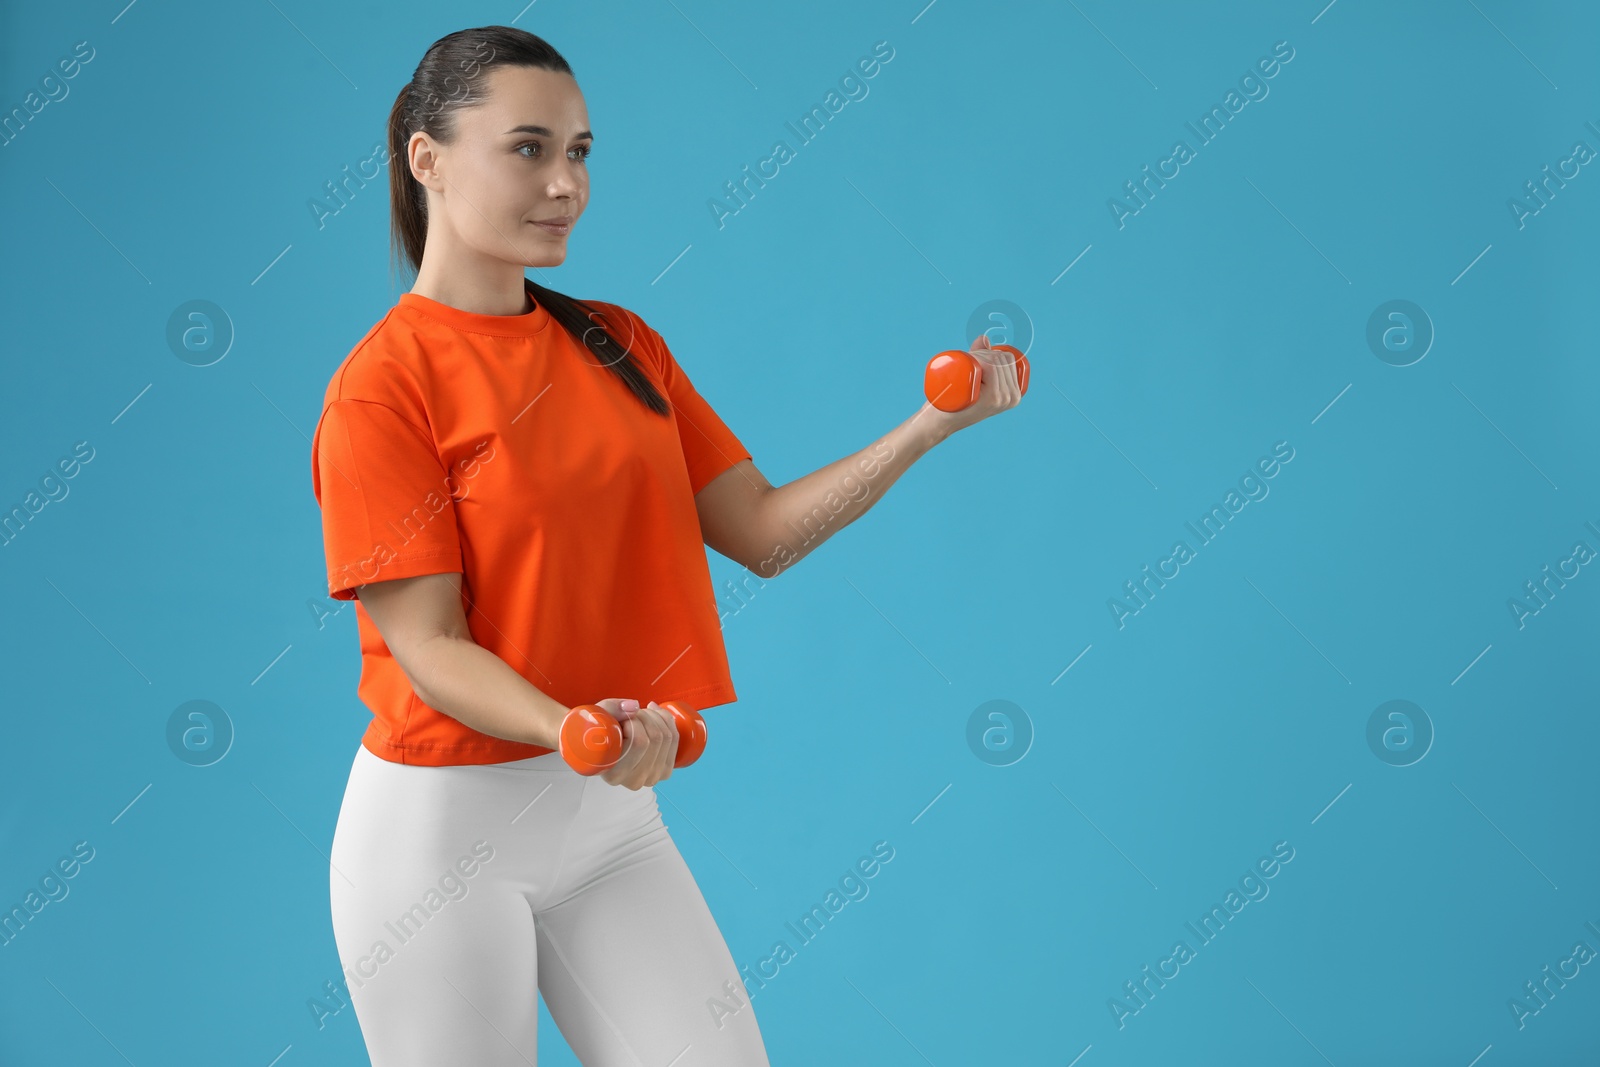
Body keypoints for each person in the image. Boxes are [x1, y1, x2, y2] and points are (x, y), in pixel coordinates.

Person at [311, 24, 1023, 1067]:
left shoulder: (619, 345)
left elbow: (764, 533)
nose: (566, 184)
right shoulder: (382, 387)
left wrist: (928, 427)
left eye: (580, 152)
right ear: (427, 159)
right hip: (440, 837)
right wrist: (572, 725)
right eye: (528, 148)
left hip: (604, 815)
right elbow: (429, 645)